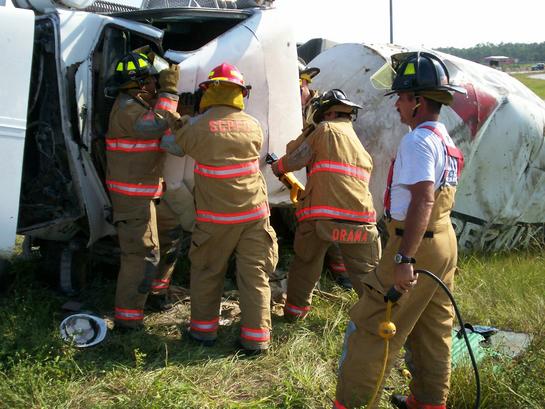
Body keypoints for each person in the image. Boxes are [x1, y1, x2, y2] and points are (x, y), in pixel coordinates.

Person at [334, 51, 466, 409]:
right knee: (432, 330)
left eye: (402, 99)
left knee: (374, 326)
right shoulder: (445, 140)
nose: (397, 107)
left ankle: (353, 403)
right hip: (442, 242)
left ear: (418, 101)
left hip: (415, 244)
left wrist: (404, 258)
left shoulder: (418, 141)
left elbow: (423, 199)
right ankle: (428, 403)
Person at [161, 63, 278, 355]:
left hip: (216, 220)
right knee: (254, 276)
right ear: (240, 93)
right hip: (254, 215)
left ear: (208, 92)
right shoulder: (254, 126)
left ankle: (202, 332)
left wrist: (180, 123)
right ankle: (256, 338)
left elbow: (171, 146)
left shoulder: (196, 127)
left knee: (207, 271)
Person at [271, 89, 381, 320]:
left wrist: (278, 166)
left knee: (306, 264)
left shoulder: (324, 129)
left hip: (320, 218)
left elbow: (295, 156)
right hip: (361, 220)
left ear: (325, 113)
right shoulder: (361, 148)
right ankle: (380, 318)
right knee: (367, 275)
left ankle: (294, 314)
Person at [105, 50, 183, 330]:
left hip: (149, 191)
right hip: (132, 197)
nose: (155, 85)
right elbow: (156, 125)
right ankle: (128, 321)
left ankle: (156, 294)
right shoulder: (127, 108)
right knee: (142, 253)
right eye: (152, 81)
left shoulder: (139, 105)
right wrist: (171, 90)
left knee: (172, 233)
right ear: (139, 84)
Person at [298, 61, 353, 290]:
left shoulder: (323, 109)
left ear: (305, 83)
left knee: (329, 222)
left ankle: (343, 275)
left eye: (297, 88)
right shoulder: (300, 107)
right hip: (310, 173)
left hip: (328, 176)